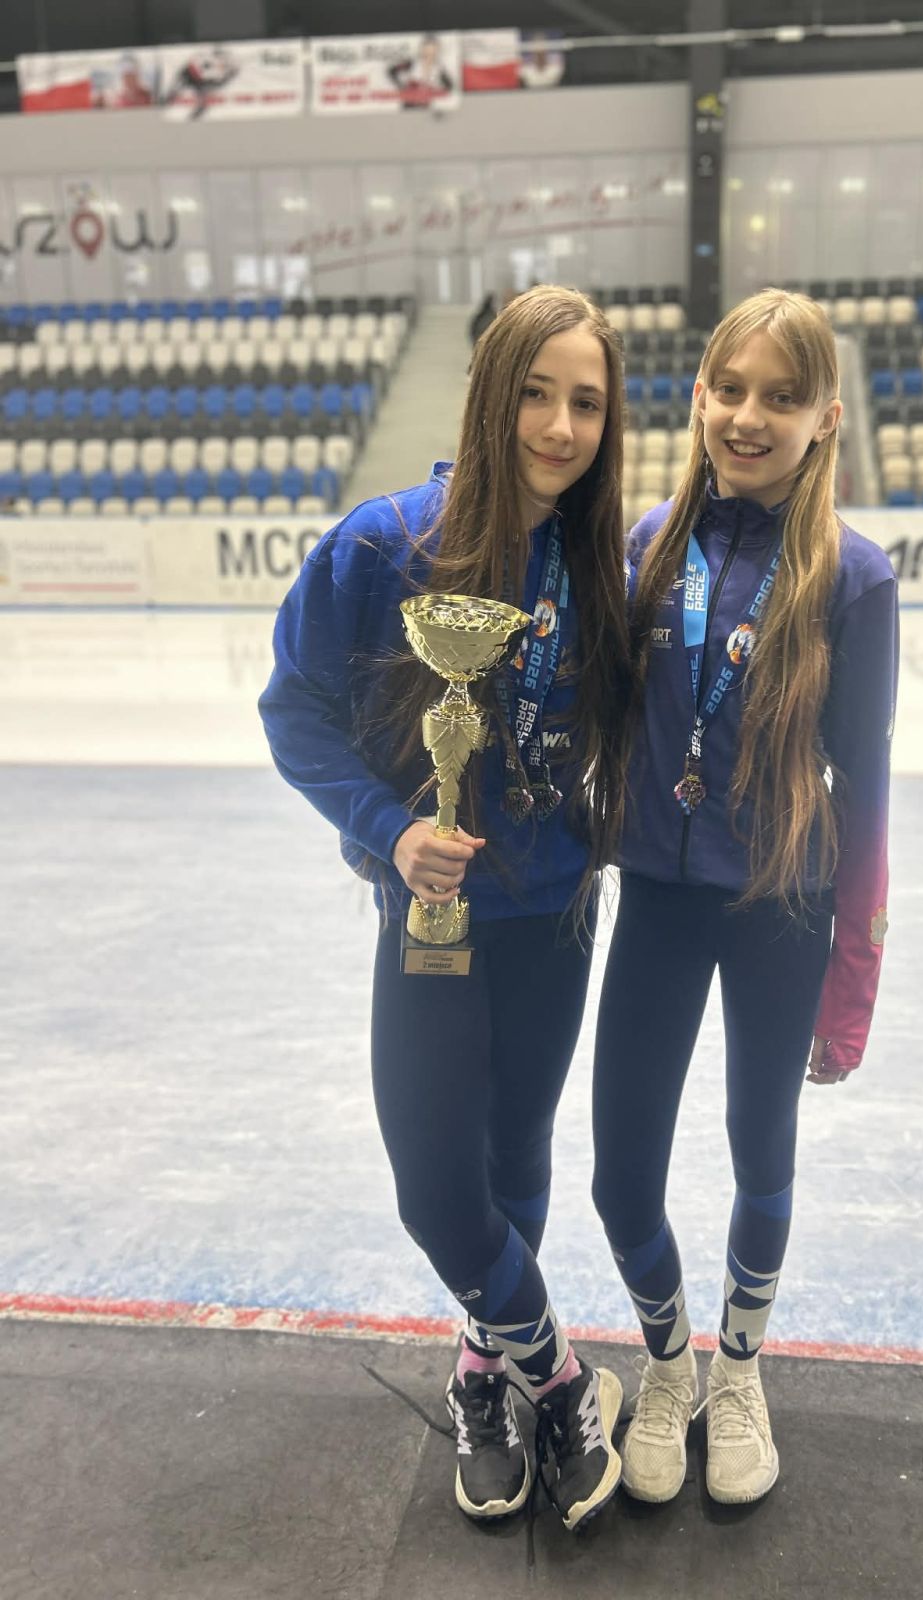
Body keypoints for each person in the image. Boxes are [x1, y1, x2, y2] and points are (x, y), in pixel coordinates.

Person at [259, 286, 633, 1532]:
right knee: (434, 1187)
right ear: (487, 391)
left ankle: (483, 1375)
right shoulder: (384, 546)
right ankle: (562, 1379)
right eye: (536, 392)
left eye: (587, 402)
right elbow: (293, 711)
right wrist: (392, 829)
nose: (561, 426)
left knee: (516, 1156)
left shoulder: (599, 559)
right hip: (434, 924)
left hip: (556, 915)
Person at [591, 289, 898, 1506]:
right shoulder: (647, 543)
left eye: (781, 396)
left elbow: (867, 791)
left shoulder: (854, 578)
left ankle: (741, 1369)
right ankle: (671, 1361)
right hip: (660, 904)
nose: (748, 416)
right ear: (699, 396)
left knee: (760, 1155)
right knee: (621, 1173)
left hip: (784, 907)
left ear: (827, 416)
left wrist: (851, 987)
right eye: (729, 389)